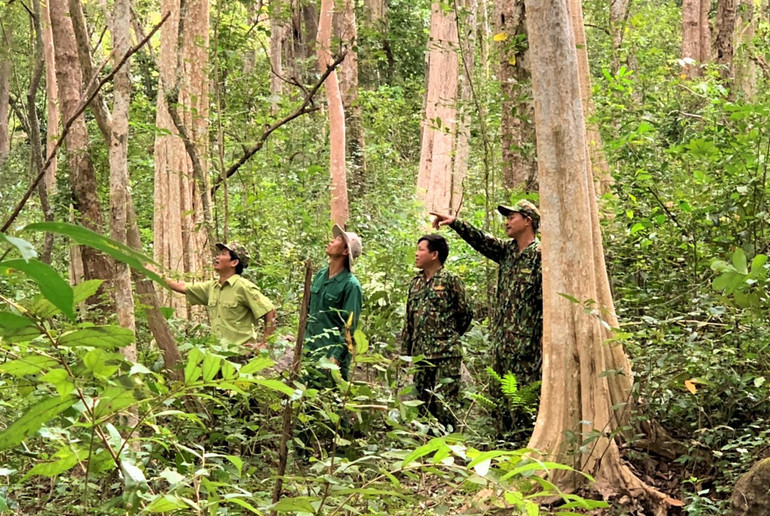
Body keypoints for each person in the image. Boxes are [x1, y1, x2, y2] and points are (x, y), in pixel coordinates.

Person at [431, 200, 543, 441]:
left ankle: (524, 444)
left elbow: (547, 303)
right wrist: (455, 224)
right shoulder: (507, 252)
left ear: (528, 221)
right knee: (499, 397)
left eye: (512, 217)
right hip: (502, 343)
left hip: (527, 347)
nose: (507, 222)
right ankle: (501, 445)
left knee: (524, 399)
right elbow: (482, 240)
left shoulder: (540, 256)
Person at [401, 234, 473, 429]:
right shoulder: (415, 283)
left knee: (445, 404)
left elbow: (465, 312)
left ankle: (448, 448)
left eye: (421, 250)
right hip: (421, 355)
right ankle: (426, 449)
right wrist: (405, 354)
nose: (416, 254)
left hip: (446, 355)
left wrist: (448, 336)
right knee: (423, 405)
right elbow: (409, 320)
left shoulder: (451, 281)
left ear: (434, 254)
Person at [162, 242, 276, 355]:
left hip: (240, 355)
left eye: (223, 254)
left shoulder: (244, 287)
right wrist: (154, 273)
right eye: (219, 253)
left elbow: (269, 310)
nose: (217, 257)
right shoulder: (212, 287)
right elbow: (181, 286)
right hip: (216, 356)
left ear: (234, 262)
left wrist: (265, 343)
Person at [304, 224, 363, 383]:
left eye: (338, 239)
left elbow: (349, 327)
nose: (331, 241)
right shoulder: (320, 275)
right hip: (309, 351)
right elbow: (309, 312)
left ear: (345, 251)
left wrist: (335, 357)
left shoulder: (351, 286)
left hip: (330, 356)